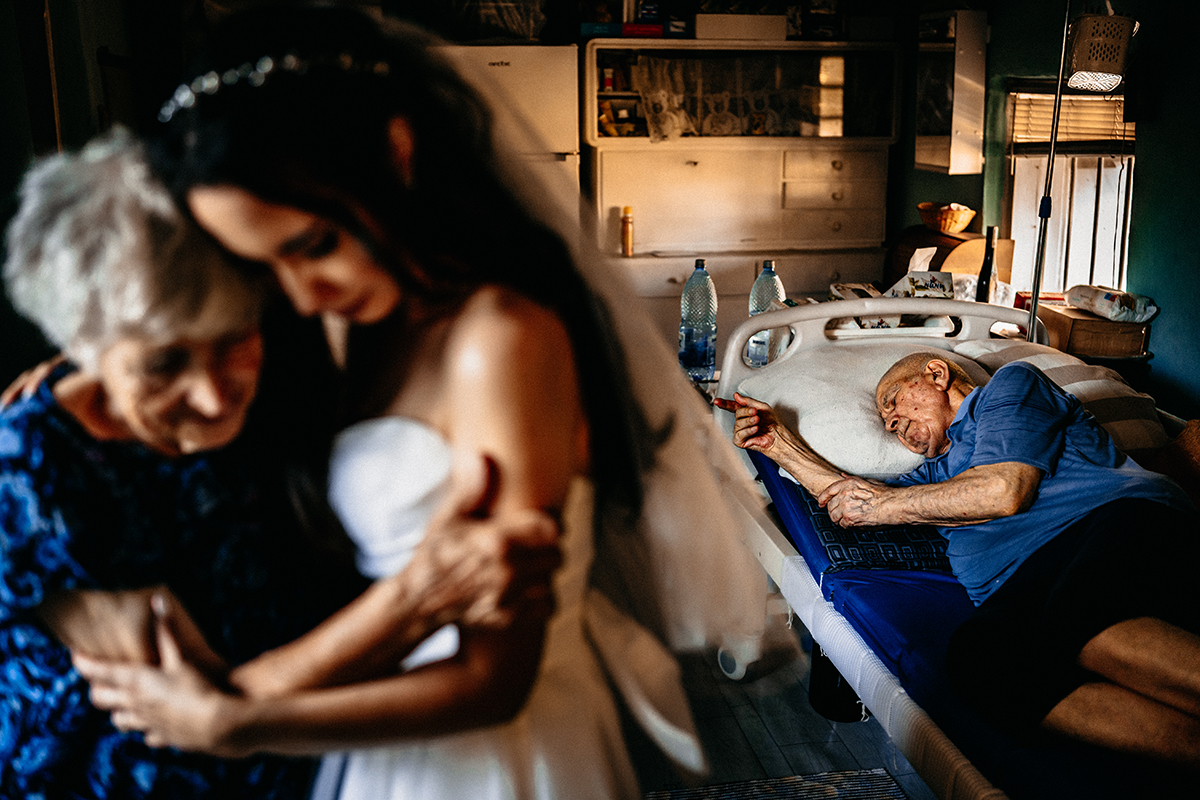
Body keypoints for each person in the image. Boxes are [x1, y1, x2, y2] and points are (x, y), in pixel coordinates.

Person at [73, 6, 769, 800]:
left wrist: (239, 723)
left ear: (396, 153)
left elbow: (495, 682)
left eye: (315, 246)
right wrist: (79, 377)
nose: (301, 296)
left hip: (496, 757)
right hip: (371, 740)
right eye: (262, 266)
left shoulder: (497, 340)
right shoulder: (344, 325)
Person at [1, 128, 559, 798]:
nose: (213, 396)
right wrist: (415, 598)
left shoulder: (285, 383)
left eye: (232, 338)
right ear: (83, 346)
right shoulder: (33, 474)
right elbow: (193, 710)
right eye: (163, 363)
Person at [716, 351, 1200, 770]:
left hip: (1110, 519)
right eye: (885, 418)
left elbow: (1003, 490)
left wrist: (884, 505)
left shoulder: (1010, 389)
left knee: (1081, 612)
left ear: (937, 374)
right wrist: (777, 443)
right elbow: (848, 497)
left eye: (893, 401)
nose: (890, 422)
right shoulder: (932, 479)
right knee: (978, 661)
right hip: (1018, 584)